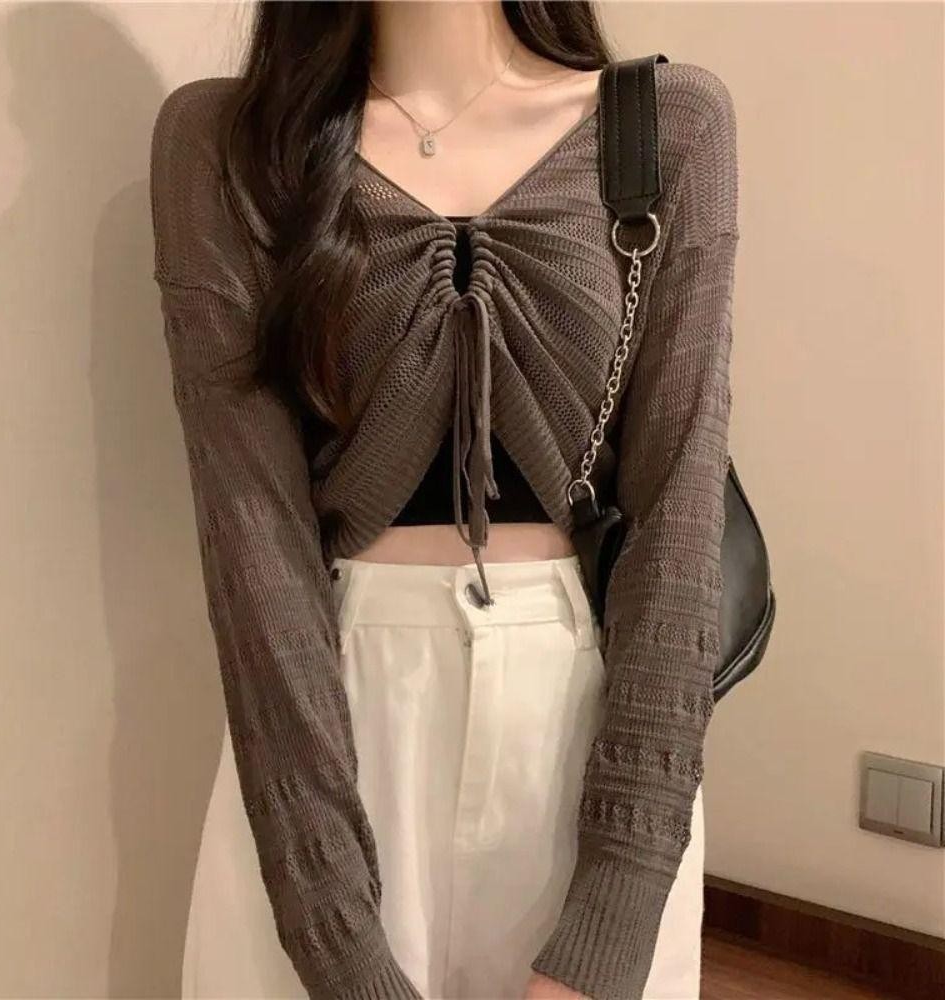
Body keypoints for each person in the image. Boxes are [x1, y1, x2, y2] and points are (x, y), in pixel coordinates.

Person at [148, 2, 738, 998]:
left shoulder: (669, 126)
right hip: (331, 722)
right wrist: (336, 938)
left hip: (581, 729)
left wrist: (619, 900)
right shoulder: (223, 145)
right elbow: (250, 543)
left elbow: (678, 519)